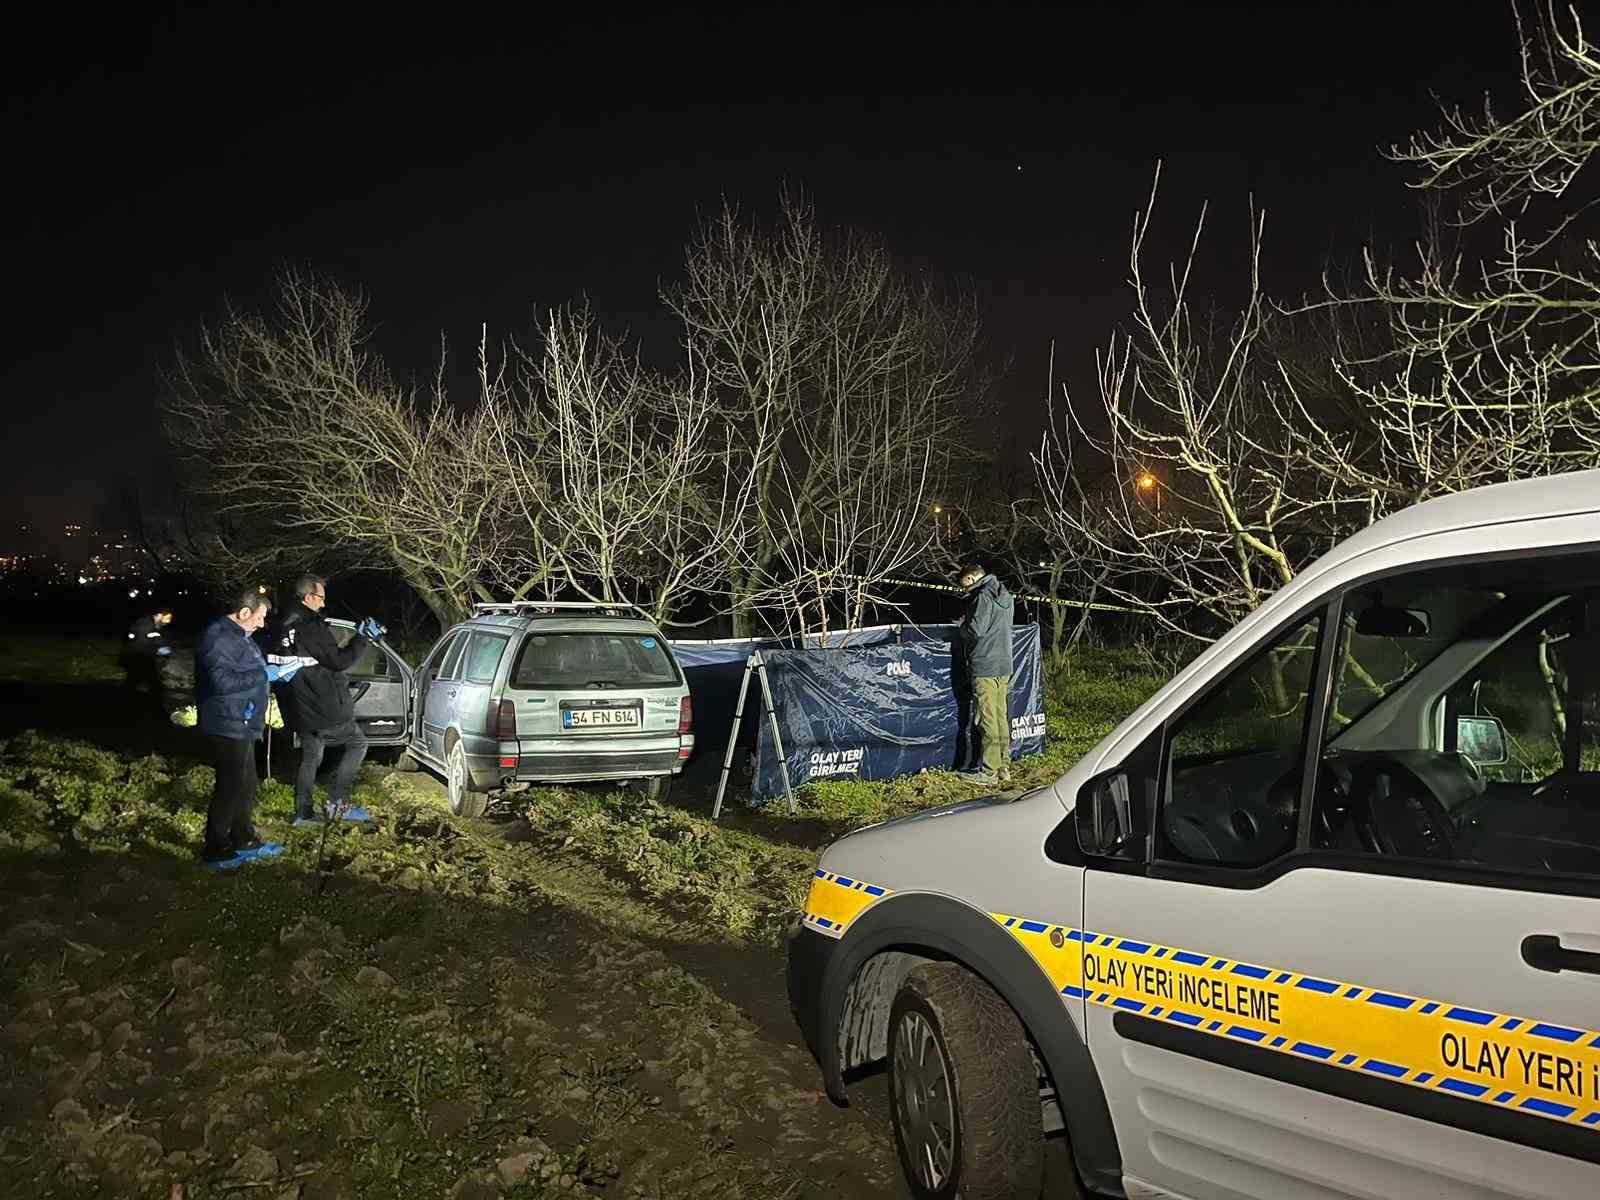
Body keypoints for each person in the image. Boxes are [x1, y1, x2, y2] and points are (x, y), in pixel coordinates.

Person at [195, 588, 301, 863]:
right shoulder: (218, 637)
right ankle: (215, 848)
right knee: (230, 786)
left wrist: (275, 674)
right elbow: (224, 683)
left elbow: (245, 670)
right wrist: (264, 674)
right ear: (244, 612)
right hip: (227, 721)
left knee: (247, 784)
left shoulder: (239, 635)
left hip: (242, 719)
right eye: (259, 617)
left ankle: (244, 838)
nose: (261, 624)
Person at [273, 574, 381, 824]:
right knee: (357, 743)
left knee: (311, 757)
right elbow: (338, 661)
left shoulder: (284, 622)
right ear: (309, 597)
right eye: (321, 598)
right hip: (321, 705)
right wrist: (363, 638)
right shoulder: (309, 626)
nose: (323, 604)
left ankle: (303, 812)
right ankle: (338, 804)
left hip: (298, 705)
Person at [957, 563, 1015, 786]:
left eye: (964, 585)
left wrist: (963, 626)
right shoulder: (1005, 595)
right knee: (1001, 717)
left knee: (987, 718)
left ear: (971, 579)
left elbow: (976, 630)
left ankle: (988, 772)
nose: (965, 590)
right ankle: (1003, 766)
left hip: (985, 665)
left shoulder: (982, 596)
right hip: (1003, 664)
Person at [121, 608, 174, 704]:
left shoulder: (154, 625)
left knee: (133, 681)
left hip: (142, 658)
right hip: (139, 658)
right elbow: (140, 645)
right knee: (154, 684)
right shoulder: (145, 625)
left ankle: (126, 700)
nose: (169, 621)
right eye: (168, 618)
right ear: (159, 615)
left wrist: (162, 647)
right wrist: (158, 651)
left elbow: (154, 639)